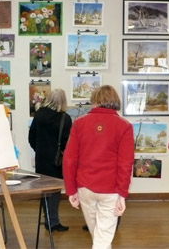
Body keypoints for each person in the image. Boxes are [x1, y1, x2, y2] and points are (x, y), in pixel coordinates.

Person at [62, 85, 134, 249]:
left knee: (99, 238)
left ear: (95, 101)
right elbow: (125, 163)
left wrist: (71, 190)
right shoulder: (124, 126)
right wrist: (122, 194)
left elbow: (69, 160)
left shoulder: (80, 123)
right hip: (111, 190)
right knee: (102, 238)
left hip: (85, 188)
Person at [28, 88, 72, 232]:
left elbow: (31, 137)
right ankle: (52, 222)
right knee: (54, 191)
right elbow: (67, 143)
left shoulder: (39, 114)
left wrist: (39, 150)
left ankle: (47, 218)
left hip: (41, 159)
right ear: (63, 101)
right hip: (56, 160)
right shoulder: (65, 118)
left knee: (45, 190)